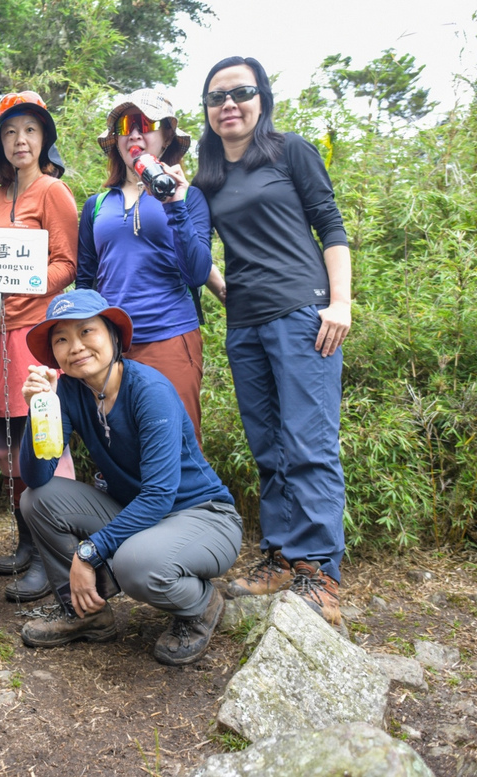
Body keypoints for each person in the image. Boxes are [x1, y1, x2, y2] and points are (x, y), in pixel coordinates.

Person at [191, 57, 351, 627]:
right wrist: (222, 288)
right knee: (268, 447)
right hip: (246, 325)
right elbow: (196, 251)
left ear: (261, 99)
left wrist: (340, 303)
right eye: (217, 97)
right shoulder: (207, 177)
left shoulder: (290, 151)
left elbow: (330, 224)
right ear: (206, 111)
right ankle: (283, 556)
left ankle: (322, 574)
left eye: (242, 92)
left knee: (308, 443)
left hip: (303, 314)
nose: (229, 104)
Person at [16, 289, 241, 666]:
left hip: (204, 516)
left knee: (135, 564)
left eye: (87, 332)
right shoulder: (70, 391)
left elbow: (159, 495)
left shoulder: (148, 390)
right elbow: (37, 477)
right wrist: (41, 411)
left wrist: (87, 554)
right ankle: (85, 613)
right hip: (139, 514)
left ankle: (201, 605)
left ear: (113, 337)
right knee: (36, 501)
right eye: (62, 339)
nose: (75, 347)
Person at [78, 89, 226, 446]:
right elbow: (86, 280)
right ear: (116, 141)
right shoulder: (97, 205)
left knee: (179, 440)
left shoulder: (189, 197)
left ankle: (192, 504)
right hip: (113, 344)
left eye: (147, 124)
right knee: (122, 443)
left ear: (167, 136)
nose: (135, 133)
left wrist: (175, 204)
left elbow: (195, 272)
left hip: (171, 336)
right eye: (127, 125)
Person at [0, 91, 79, 603]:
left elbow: (67, 263)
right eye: (11, 131)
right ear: (0, 141)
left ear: (44, 140)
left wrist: (22, 282)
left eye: (31, 131)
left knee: (41, 442)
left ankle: (52, 555)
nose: (20, 140)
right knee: (3, 442)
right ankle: (24, 540)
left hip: (35, 333)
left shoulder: (53, 191)